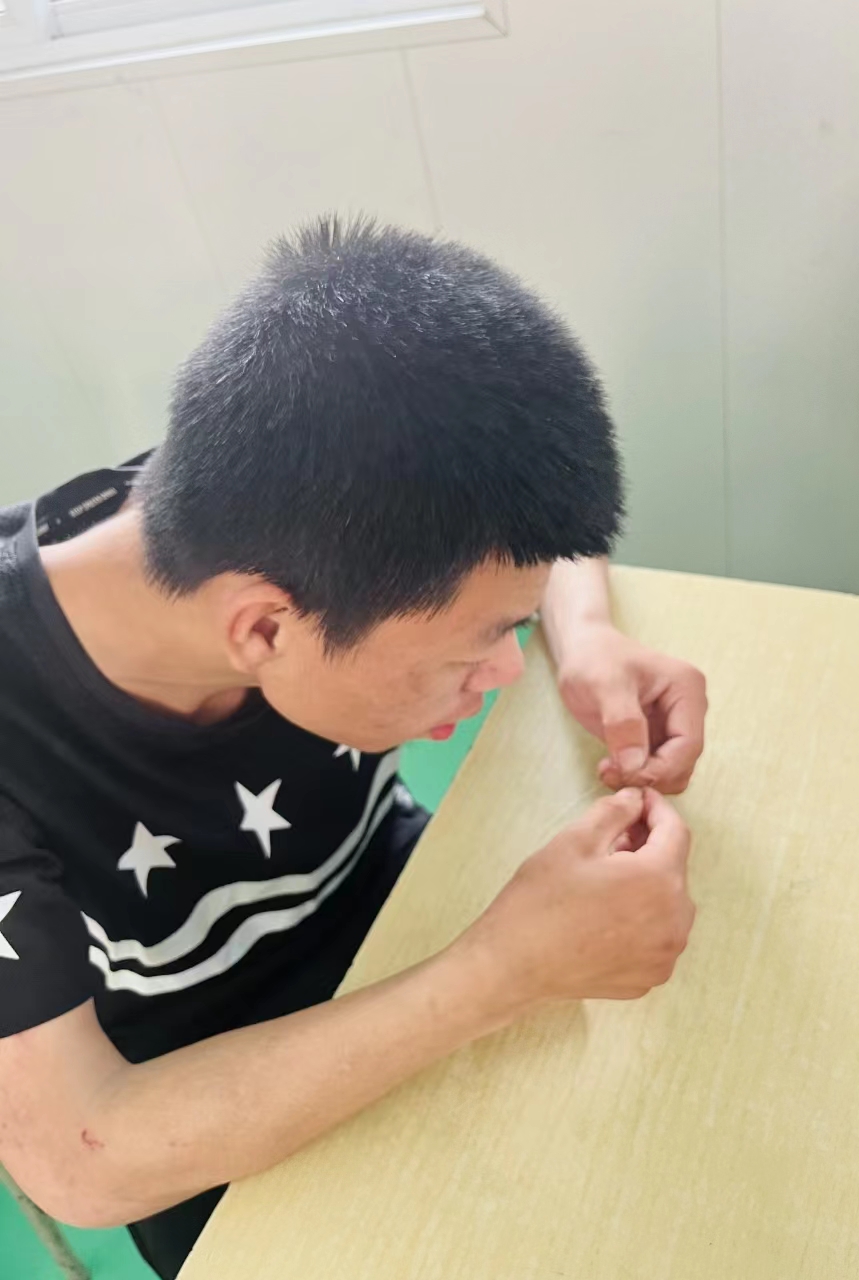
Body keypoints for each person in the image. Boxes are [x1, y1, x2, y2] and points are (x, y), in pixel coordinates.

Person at [0, 217, 706, 1278]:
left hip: (414, 907)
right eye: (473, 648)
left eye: (510, 634)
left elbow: (510, 518)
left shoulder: (280, 500)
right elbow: (82, 1158)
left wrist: (588, 633)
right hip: (208, 1104)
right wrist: (500, 974)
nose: (503, 672)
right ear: (263, 631)